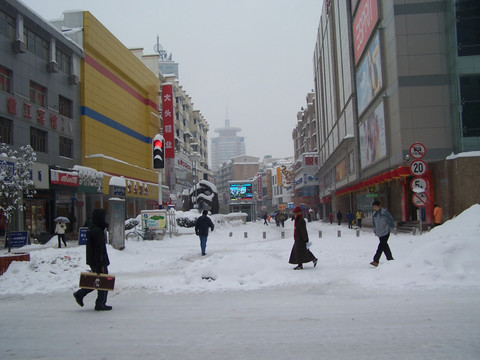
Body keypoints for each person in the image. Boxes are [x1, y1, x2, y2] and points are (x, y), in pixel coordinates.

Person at [73, 208, 112, 311]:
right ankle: (100, 303)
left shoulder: (92, 229)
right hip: (99, 261)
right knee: (104, 282)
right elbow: (98, 249)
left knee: (97, 280)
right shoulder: (97, 231)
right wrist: (100, 263)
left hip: (94, 260)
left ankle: (80, 294)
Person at [370, 200, 395, 267]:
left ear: (379, 206)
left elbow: (390, 220)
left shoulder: (384, 213)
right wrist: (375, 230)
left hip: (385, 232)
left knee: (381, 246)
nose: (375, 208)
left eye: (375, 206)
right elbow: (374, 224)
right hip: (379, 233)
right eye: (374, 207)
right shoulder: (374, 215)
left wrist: (391, 227)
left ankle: (376, 260)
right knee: (384, 246)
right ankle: (390, 259)